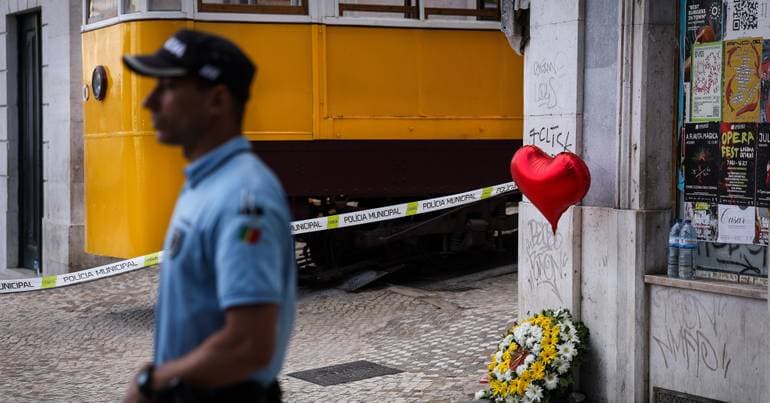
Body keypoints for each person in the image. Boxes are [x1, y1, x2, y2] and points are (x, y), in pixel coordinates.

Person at [121, 29, 296, 403]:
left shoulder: (243, 197)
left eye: (168, 87)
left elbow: (248, 345)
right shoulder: (209, 182)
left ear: (217, 100)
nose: (149, 102)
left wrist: (153, 382)